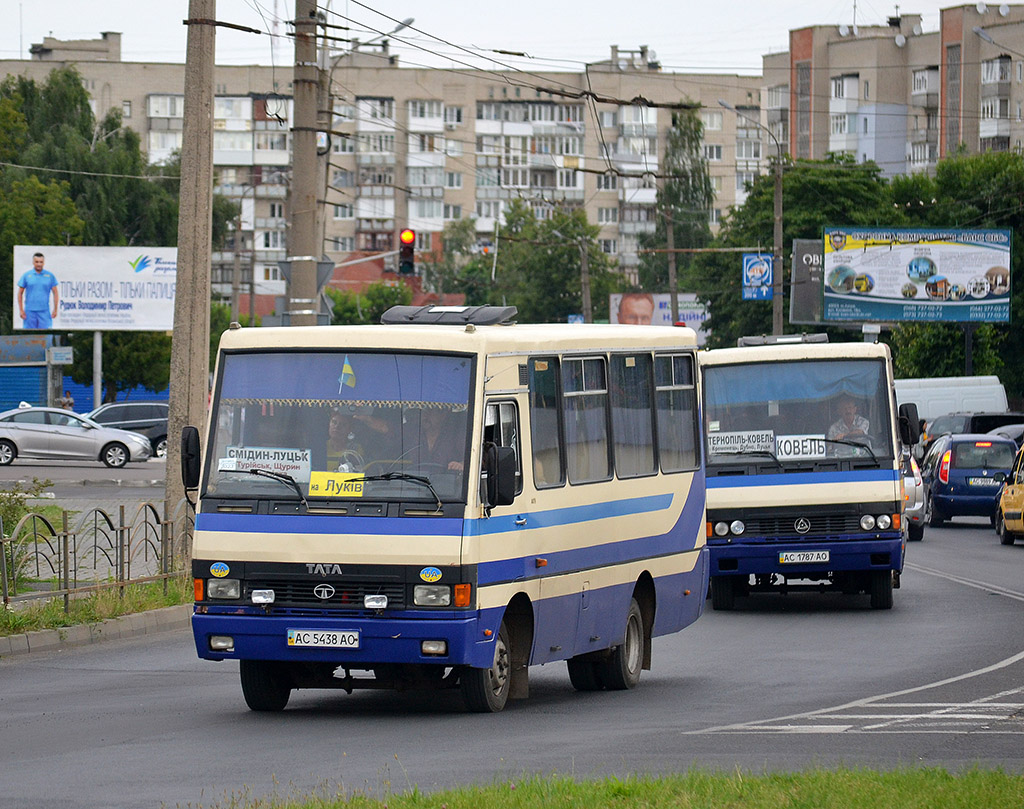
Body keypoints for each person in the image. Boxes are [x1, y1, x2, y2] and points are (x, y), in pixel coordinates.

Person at [17, 252, 59, 329]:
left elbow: (55, 293)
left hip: (44, 311)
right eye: (37, 262)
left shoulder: (50, 276)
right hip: (29, 311)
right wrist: (21, 310)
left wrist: (55, 309)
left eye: (41, 262)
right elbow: (20, 293)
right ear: (33, 262)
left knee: (45, 335)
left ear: (44, 263)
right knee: (29, 335)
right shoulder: (26, 275)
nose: (39, 264)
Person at [418, 407, 465, 471]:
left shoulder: (456, 435)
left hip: (448, 479)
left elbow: (472, 459)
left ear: (444, 414)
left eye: (430, 411)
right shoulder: (411, 435)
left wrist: (460, 465)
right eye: (424, 411)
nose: (425, 416)